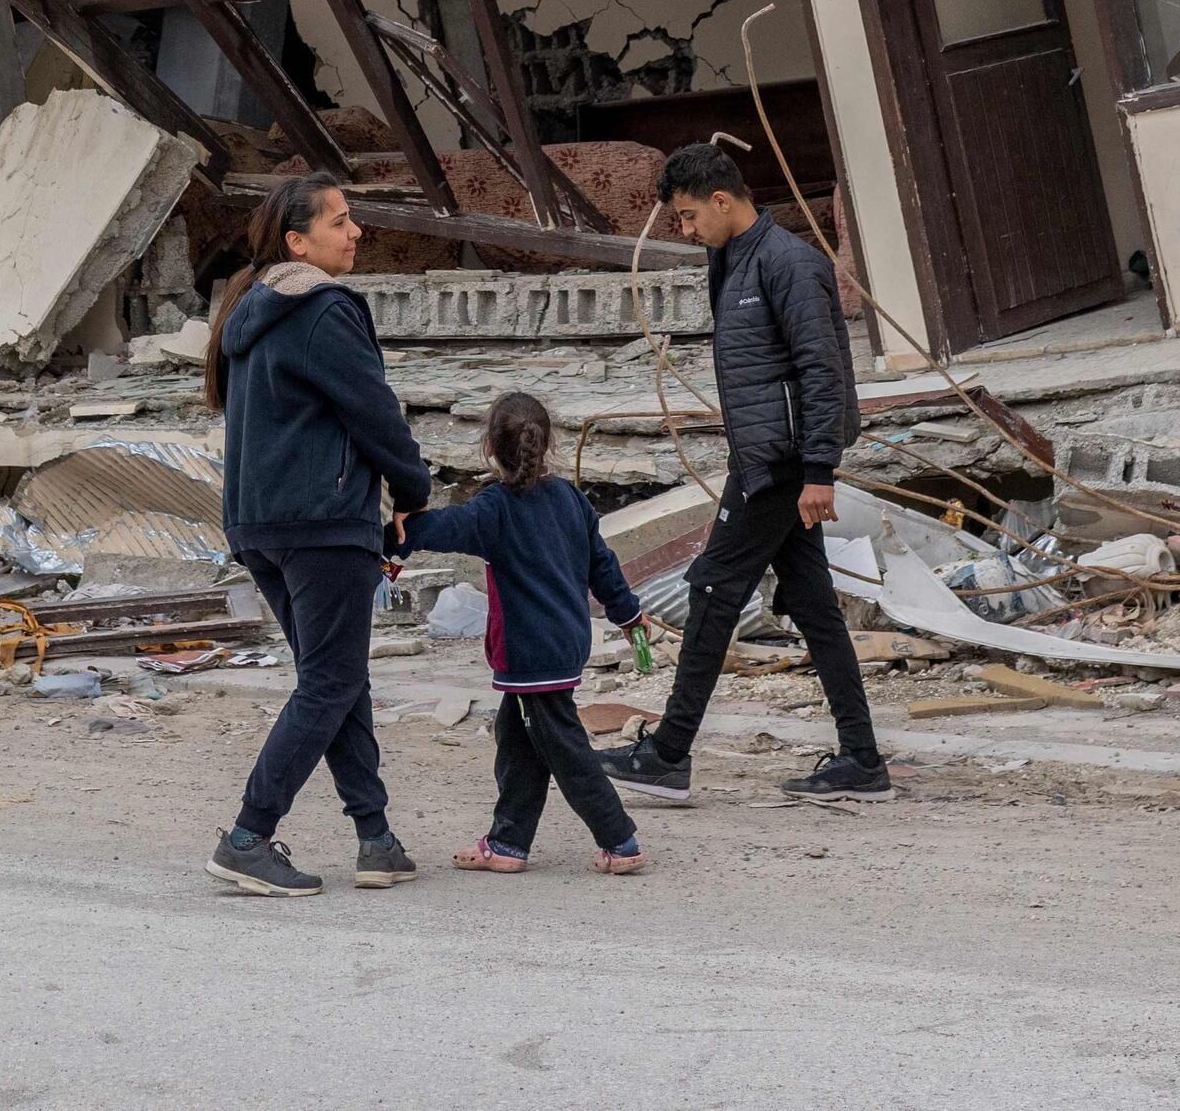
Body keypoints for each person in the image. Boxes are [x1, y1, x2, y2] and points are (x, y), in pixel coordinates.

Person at [606, 137, 890, 806]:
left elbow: (823, 370)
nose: (685, 228)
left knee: (711, 589)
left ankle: (669, 753)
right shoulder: (732, 259)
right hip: (763, 457)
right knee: (815, 606)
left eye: (688, 214)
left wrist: (820, 469)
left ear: (723, 199)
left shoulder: (789, 264)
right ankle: (862, 757)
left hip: (783, 465)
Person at [208, 168, 438, 899]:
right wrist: (413, 493)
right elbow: (376, 412)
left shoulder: (250, 311)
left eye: (351, 217)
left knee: (336, 680)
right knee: (333, 680)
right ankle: (249, 833)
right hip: (322, 521)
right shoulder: (325, 308)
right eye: (340, 221)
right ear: (297, 240)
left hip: (260, 524)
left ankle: (376, 837)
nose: (356, 230)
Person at [393, 390, 651, 875]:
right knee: (515, 737)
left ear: (490, 448)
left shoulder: (493, 508)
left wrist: (397, 532)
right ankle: (508, 843)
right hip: (565, 643)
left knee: (564, 748)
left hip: (529, 653)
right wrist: (628, 613)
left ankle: (621, 840)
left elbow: (442, 528)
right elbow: (603, 564)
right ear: (547, 442)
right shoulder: (571, 499)